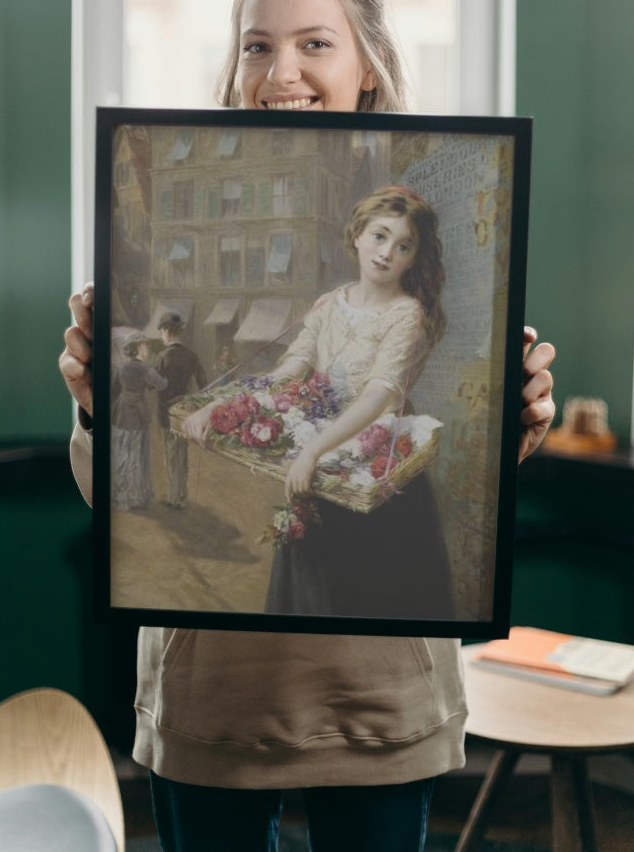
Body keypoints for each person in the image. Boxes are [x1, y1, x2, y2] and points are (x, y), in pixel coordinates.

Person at [60, 0, 556, 852]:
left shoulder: (427, 273)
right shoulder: (308, 290)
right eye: (256, 44)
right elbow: (121, 500)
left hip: (377, 689)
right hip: (213, 693)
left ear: (368, 64)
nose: (279, 69)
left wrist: (510, 430)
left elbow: (393, 415)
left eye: (314, 43)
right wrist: (117, 408)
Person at [185, 184, 452, 620]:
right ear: (358, 234)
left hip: (371, 470)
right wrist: (220, 405)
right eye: (380, 236)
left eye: (403, 246)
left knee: (364, 600)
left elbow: (376, 396)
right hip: (319, 468)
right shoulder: (330, 304)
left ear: (414, 257)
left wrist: (312, 451)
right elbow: (287, 371)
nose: (387, 252)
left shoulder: (407, 315)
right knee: (310, 598)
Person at [154, 311, 207, 509]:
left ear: (167, 331)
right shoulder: (191, 356)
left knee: (171, 454)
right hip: (185, 411)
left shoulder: (161, 357)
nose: (161, 335)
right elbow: (204, 384)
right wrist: (194, 402)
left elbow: (154, 385)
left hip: (166, 412)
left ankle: (173, 498)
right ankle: (182, 493)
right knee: (182, 453)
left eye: (161, 331)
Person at [111, 333, 167, 511]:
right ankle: (135, 497)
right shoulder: (145, 369)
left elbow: (114, 390)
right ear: (137, 348)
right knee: (136, 454)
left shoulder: (121, 368)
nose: (147, 349)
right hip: (138, 414)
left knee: (121, 453)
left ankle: (121, 498)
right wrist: (149, 384)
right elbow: (162, 384)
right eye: (144, 346)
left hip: (121, 413)